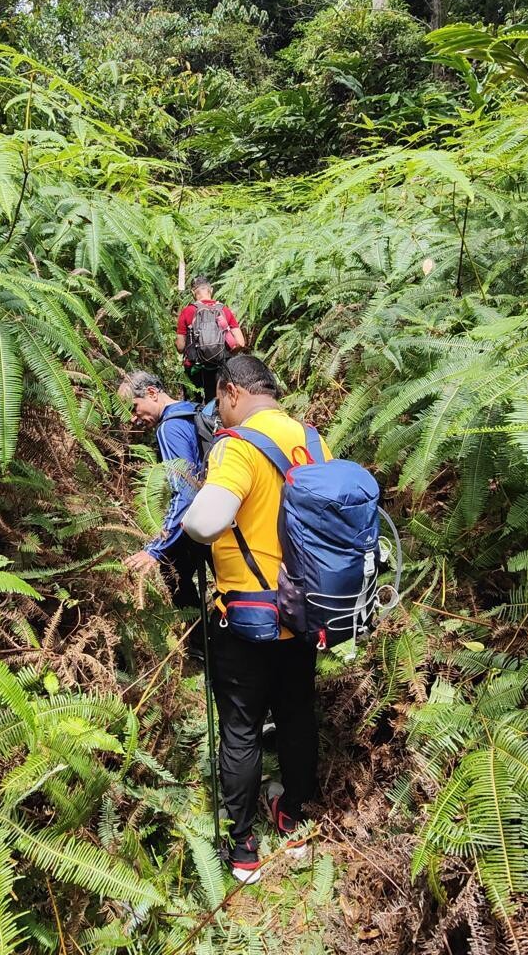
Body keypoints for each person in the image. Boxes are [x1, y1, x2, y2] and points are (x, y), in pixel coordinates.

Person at [182, 355, 332, 883]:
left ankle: (243, 848)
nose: (218, 412)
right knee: (295, 714)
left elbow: (205, 523)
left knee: (241, 728)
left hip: (246, 615)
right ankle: (293, 813)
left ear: (231, 392)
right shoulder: (312, 440)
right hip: (304, 611)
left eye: (218, 402)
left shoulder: (238, 445)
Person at [119, 371, 206, 630]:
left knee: (173, 576)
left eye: (134, 408)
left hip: (200, 523)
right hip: (224, 517)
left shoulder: (169, 428)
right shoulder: (193, 411)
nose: (133, 419)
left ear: (152, 393)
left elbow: (186, 490)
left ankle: (199, 642)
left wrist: (155, 549)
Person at [176, 276, 245, 402]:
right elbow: (240, 343)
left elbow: (180, 347)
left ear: (193, 292)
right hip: (218, 367)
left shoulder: (187, 311)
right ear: (211, 290)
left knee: (193, 405)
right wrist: (224, 355)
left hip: (194, 368)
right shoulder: (224, 310)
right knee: (215, 404)